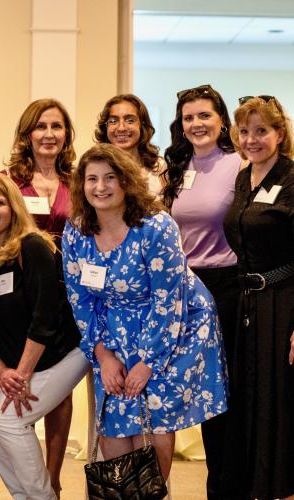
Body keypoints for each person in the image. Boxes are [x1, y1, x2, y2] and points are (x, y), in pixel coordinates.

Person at [62, 143, 228, 483]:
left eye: (110, 177)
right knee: (116, 421)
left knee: (153, 418)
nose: (101, 187)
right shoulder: (76, 231)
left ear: (126, 181)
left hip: (175, 327)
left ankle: (153, 492)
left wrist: (148, 362)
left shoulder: (156, 227)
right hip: (113, 331)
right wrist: (103, 354)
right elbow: (79, 299)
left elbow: (168, 301)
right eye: (92, 179)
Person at [0, 173, 86, 500]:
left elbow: (44, 319)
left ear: (13, 208)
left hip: (61, 353)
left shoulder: (33, 247)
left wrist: (23, 375)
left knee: (6, 420)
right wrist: (3, 373)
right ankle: (23, 495)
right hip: (15, 362)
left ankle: (44, 497)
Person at [162, 83, 240, 500]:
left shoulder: (239, 163)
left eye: (205, 115)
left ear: (222, 120)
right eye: (189, 117)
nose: (197, 124)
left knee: (221, 395)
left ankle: (224, 487)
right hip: (185, 289)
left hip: (227, 288)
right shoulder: (177, 167)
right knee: (189, 393)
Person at [221, 95, 294, 500]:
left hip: (285, 302)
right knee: (251, 396)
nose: (252, 139)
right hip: (247, 304)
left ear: (280, 134)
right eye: (245, 131)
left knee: (281, 400)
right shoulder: (243, 177)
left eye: (261, 131)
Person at [3, 98, 77, 495]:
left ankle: (53, 477)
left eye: (56, 126)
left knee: (60, 389)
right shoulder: (9, 180)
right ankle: (30, 474)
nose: (49, 134)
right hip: (20, 295)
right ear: (27, 133)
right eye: (41, 126)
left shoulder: (79, 181)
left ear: (66, 134)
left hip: (68, 297)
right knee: (28, 382)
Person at [94, 94, 163, 196]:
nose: (121, 128)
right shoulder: (94, 166)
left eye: (130, 120)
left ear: (142, 125)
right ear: (106, 127)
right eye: (113, 121)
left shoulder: (160, 167)